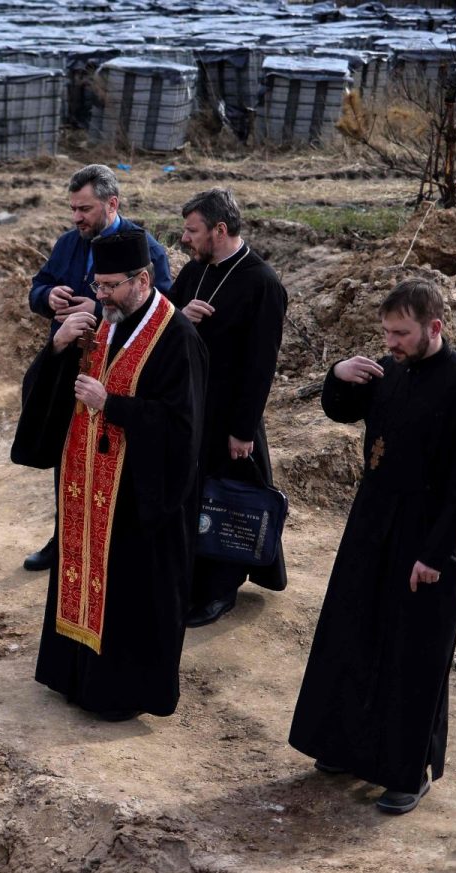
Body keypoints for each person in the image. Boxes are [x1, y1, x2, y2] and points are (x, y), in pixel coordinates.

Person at [288, 279, 456, 813]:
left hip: (425, 533)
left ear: (435, 327)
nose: (392, 342)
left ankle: (409, 770)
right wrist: (336, 375)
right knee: (355, 630)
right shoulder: (389, 369)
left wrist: (435, 553)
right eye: (386, 332)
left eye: (401, 333)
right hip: (372, 520)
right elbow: (341, 410)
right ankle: (341, 744)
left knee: (413, 652)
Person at [14, 228, 206, 721]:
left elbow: (183, 427)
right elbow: (51, 395)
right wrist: (57, 346)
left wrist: (114, 405)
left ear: (142, 280)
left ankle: (116, 693)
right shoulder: (101, 322)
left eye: (110, 287)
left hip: (138, 496)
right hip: (84, 483)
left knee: (126, 592)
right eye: (97, 286)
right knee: (78, 573)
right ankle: (71, 674)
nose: (100, 296)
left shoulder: (176, 337)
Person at [21, 164, 174, 573]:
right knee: (68, 455)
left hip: (119, 372)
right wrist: (48, 296)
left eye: (84, 209)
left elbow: (161, 313)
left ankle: (111, 545)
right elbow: (37, 287)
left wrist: (102, 309)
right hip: (69, 368)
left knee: (112, 466)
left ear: (112, 203)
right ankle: (64, 537)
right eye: (72, 209)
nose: (76, 218)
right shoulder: (68, 243)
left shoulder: (147, 249)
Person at [169, 187, 289, 627]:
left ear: (220, 230)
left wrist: (241, 430)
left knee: (227, 502)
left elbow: (261, 367)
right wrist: (181, 315)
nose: (186, 239)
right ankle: (194, 582)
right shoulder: (195, 271)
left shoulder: (262, 283)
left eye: (192, 230)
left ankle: (220, 592)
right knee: (195, 499)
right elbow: (165, 317)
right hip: (192, 410)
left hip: (230, 419)